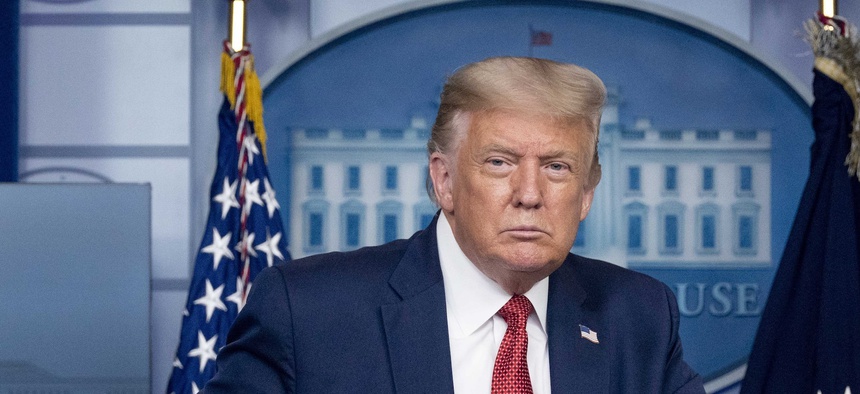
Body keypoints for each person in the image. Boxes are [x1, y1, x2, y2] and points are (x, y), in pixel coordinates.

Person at [202, 57, 704, 393]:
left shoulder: (640, 315)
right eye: (499, 163)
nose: (530, 195)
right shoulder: (305, 311)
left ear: (587, 194)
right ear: (443, 181)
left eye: (557, 167)